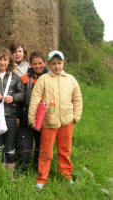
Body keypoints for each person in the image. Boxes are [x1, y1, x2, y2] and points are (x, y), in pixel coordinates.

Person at [28, 50, 83, 189]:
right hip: (48, 122)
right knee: (46, 151)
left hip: (66, 122)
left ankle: (66, 175)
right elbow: (35, 99)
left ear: (63, 63)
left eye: (59, 63)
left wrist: (76, 116)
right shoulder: (43, 79)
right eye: (53, 64)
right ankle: (42, 178)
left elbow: (77, 99)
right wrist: (32, 119)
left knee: (65, 150)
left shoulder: (70, 79)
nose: (57, 66)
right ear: (49, 64)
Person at [16, 51, 48, 172]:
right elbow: (19, 99)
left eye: (40, 63)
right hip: (26, 118)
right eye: (34, 64)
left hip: (45, 119)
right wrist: (17, 116)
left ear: (44, 63)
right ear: (30, 64)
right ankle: (21, 171)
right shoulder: (24, 78)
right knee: (24, 148)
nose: (38, 66)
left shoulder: (50, 78)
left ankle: (38, 170)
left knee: (41, 148)